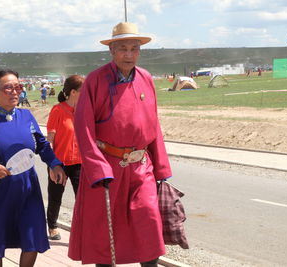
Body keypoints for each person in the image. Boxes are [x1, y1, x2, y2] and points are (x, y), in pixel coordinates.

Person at [68, 22, 172, 266]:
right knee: (105, 231)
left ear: (139, 51)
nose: (128, 54)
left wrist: (161, 167)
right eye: (122, 48)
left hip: (141, 166)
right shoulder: (95, 80)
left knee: (149, 221)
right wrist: (97, 168)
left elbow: (153, 124)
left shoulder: (146, 78)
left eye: (134, 48)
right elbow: (83, 128)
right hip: (107, 166)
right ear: (112, 51)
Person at [0, 70, 66, 267]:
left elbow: (41, 144)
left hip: (28, 189)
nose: (15, 92)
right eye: (8, 87)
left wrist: (55, 163)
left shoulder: (26, 116)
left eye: (17, 87)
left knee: (32, 238)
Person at [46, 75, 84, 241]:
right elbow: (49, 140)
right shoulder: (58, 110)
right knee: (55, 198)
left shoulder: (84, 111)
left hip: (79, 163)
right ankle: (52, 226)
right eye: (84, 91)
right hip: (59, 163)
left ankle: (81, 230)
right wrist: (51, 165)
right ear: (73, 92)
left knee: (83, 200)